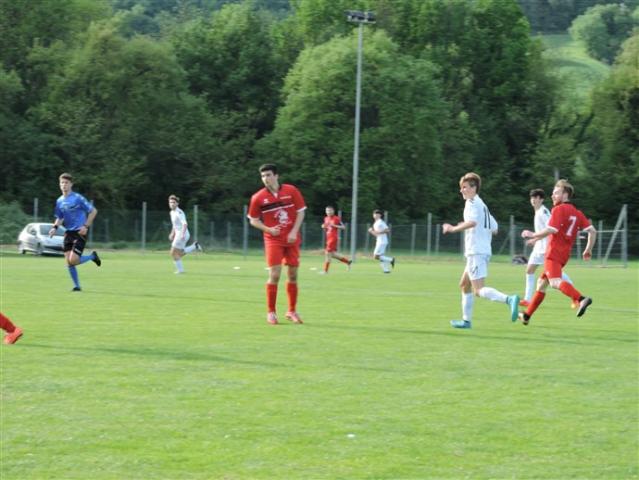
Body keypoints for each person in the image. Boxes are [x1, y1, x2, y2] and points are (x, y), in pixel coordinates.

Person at [443, 172, 519, 329]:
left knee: (478, 290)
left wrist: (453, 228)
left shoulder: (472, 203)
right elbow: (495, 228)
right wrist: (471, 227)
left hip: (476, 251)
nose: (461, 190)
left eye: (464, 187)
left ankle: (509, 299)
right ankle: (466, 321)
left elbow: (472, 222)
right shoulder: (482, 205)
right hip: (480, 250)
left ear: (473, 188)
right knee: (464, 284)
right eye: (461, 187)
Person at [519, 179, 596, 325]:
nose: (552, 196)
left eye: (556, 193)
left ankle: (581, 299)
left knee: (554, 282)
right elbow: (592, 231)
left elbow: (551, 229)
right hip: (564, 255)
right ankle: (526, 315)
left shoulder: (558, 209)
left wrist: (532, 235)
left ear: (565, 194)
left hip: (553, 253)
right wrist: (588, 249)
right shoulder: (577, 213)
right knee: (541, 284)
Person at [248, 164, 306, 325]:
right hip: (273, 240)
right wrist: (268, 229)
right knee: (275, 275)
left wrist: (294, 231)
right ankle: (271, 312)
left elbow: (301, 212)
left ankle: (292, 311)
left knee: (293, 274)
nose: (265, 178)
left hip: (292, 238)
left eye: (268, 175)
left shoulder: (291, 190)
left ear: (276, 176)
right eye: (263, 176)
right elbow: (253, 220)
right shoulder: (258, 197)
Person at [520, 189, 576, 308]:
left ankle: (575, 296)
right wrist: (535, 240)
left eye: (537, 197)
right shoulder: (538, 212)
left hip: (546, 248)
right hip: (539, 248)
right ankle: (527, 300)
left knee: (555, 275)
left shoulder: (543, 212)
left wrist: (533, 236)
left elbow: (551, 229)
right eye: (532, 197)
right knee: (529, 270)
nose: (534, 200)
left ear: (541, 199)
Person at [49, 173, 101, 291]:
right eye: (62, 183)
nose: (64, 185)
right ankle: (77, 286)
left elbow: (93, 211)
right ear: (59, 184)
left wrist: (85, 226)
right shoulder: (59, 201)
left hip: (80, 232)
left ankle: (92, 256)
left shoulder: (78, 198)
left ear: (71, 184)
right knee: (68, 262)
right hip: (68, 233)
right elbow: (60, 217)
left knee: (73, 260)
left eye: (66, 183)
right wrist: (54, 228)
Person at [168, 194, 202, 274]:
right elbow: (175, 225)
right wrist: (172, 233)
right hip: (179, 234)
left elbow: (184, 224)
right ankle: (194, 246)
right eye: (170, 202)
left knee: (173, 253)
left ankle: (181, 271)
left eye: (173, 202)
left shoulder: (179, 212)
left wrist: (182, 234)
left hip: (182, 234)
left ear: (177, 203)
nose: (172, 204)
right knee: (178, 254)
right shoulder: (171, 212)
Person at [320, 206, 352, 274]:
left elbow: (343, 227)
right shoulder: (326, 218)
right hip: (328, 238)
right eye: (327, 211)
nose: (328, 212)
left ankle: (325, 271)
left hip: (333, 238)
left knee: (327, 253)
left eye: (330, 210)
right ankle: (348, 262)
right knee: (333, 254)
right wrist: (323, 226)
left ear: (333, 211)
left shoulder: (336, 218)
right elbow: (326, 227)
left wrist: (334, 225)